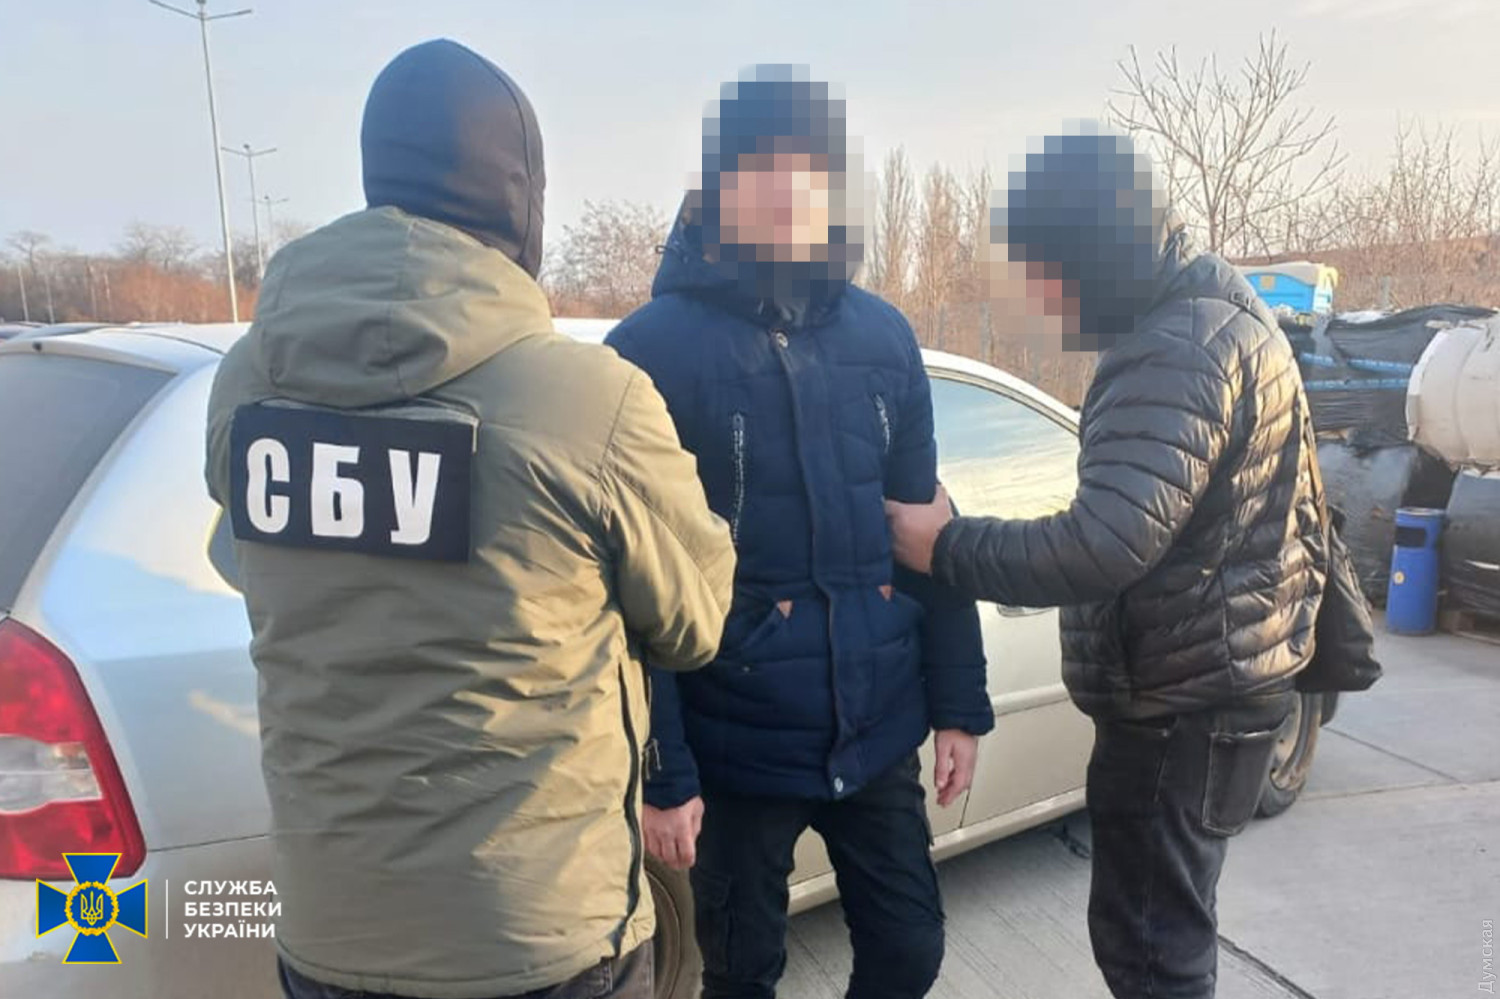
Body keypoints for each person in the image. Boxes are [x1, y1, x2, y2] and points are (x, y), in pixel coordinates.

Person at [204, 40, 736, 999]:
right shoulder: (591, 400)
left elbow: (250, 561)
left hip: (330, 934)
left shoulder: (249, 381)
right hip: (542, 940)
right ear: (521, 201)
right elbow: (695, 620)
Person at [885, 124, 1328, 999]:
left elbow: (1106, 542)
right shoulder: (1223, 320)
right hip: (1219, 689)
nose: (1042, 297)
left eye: (1047, 273)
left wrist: (946, 546)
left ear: (1095, 251)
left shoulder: (1174, 347)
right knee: (1166, 930)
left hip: (1179, 710)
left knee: (1151, 947)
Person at [605, 65, 993, 999]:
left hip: (876, 727)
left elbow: (927, 532)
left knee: (910, 951)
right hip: (734, 740)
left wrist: (959, 703)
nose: (788, 189)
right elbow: (633, 586)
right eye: (761, 166)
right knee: (741, 976)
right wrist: (664, 769)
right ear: (718, 185)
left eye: (810, 168)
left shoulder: (885, 339)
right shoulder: (647, 353)